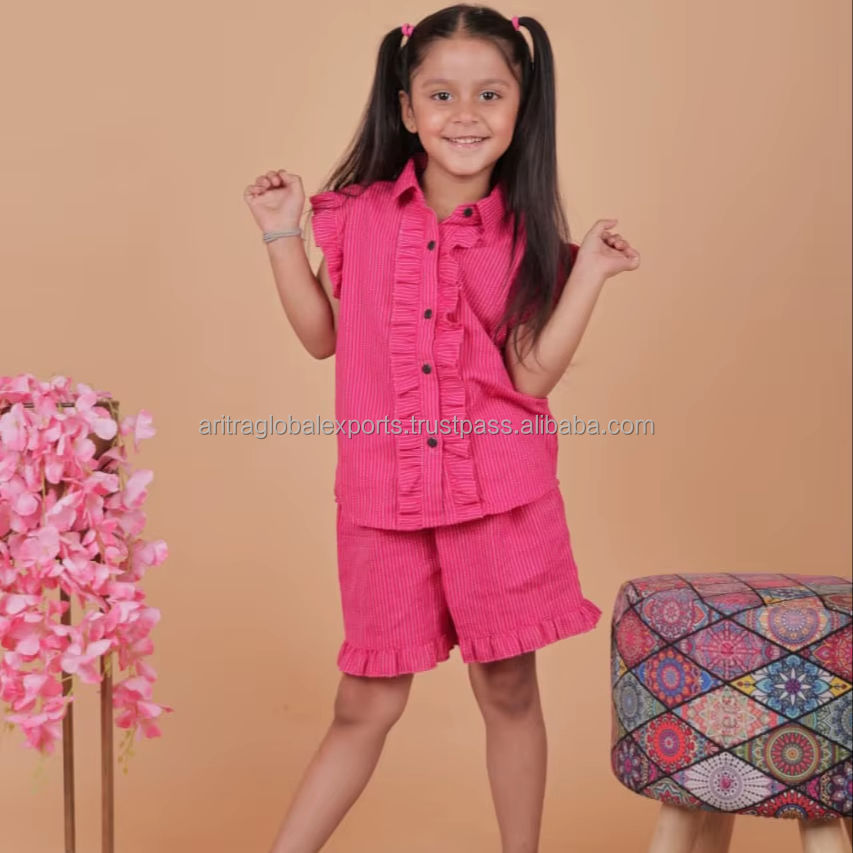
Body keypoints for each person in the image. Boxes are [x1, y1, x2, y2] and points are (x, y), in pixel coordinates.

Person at [243, 5, 640, 852]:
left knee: (508, 690)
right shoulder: (356, 215)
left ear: (522, 106)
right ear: (405, 106)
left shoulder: (526, 237)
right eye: (441, 94)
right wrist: (280, 234)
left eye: (490, 94)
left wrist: (590, 274)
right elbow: (321, 335)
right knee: (365, 699)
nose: (465, 115)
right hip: (382, 498)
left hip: (500, 499)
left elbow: (530, 376)